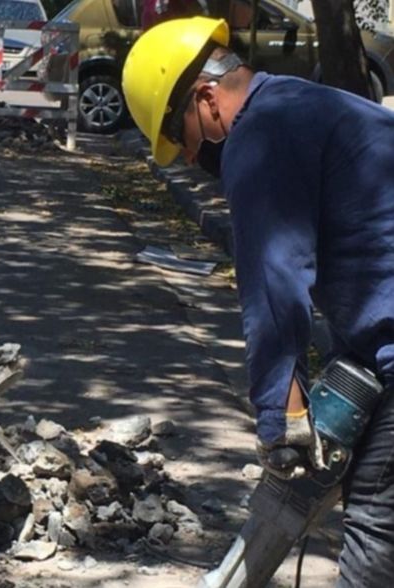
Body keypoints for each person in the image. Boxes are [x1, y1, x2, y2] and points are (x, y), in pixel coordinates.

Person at [121, 17, 394, 586]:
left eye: (183, 134)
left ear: (206, 97)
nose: (192, 155)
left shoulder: (259, 138)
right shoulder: (313, 105)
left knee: (375, 531)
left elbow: (273, 285)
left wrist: (282, 420)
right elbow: (371, 252)